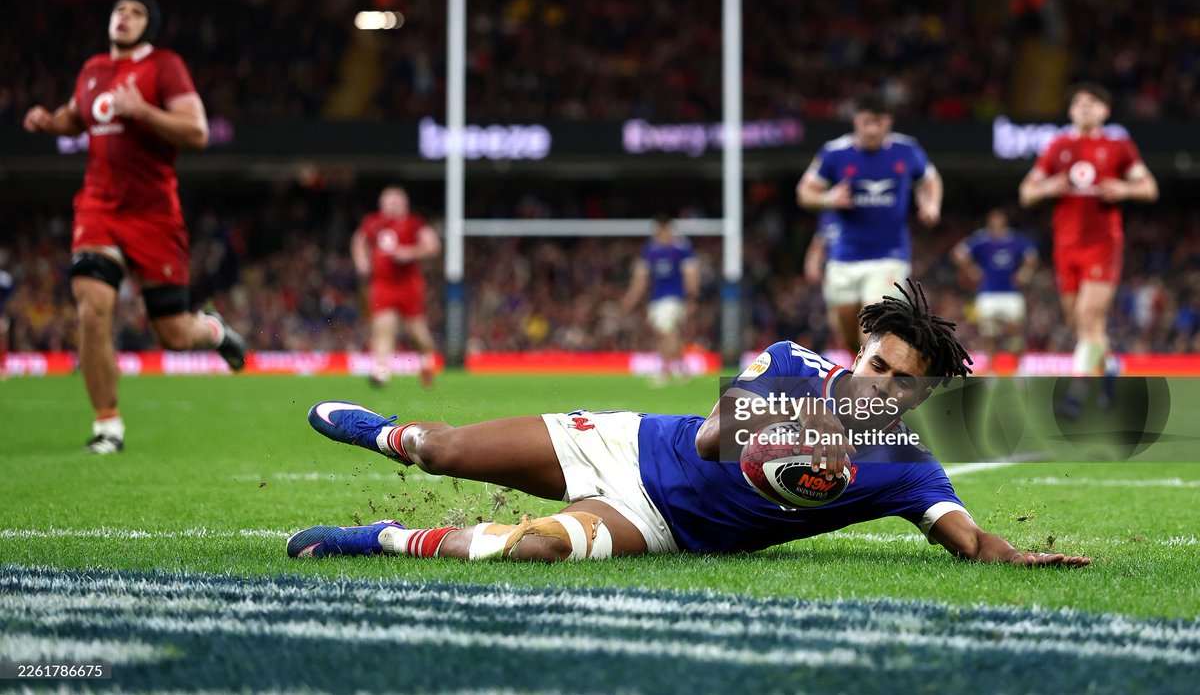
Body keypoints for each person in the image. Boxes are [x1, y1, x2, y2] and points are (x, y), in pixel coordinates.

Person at [286, 280, 1089, 568]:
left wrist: (1012, 557)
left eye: (898, 385)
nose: (878, 386)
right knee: (443, 450)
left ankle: (382, 539)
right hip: (627, 442)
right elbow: (710, 439)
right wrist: (789, 428)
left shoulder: (909, 467)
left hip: (659, 524)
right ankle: (388, 433)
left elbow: (969, 538)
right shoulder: (788, 362)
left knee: (532, 547)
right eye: (875, 364)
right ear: (858, 350)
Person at [21, 0, 246, 454]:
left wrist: (141, 110)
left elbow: (198, 132)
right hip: (98, 207)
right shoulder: (92, 70)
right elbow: (74, 117)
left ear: (150, 24)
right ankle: (108, 426)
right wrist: (50, 121)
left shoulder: (164, 65)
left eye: (137, 12)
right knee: (92, 305)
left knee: (175, 335)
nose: (124, 17)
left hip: (154, 215)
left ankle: (215, 331)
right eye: (119, 9)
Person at [1018, 83, 1158, 407]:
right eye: (1078, 103)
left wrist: (1125, 190)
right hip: (1066, 246)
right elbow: (1026, 192)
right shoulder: (1057, 147)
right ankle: (1109, 367)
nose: (1084, 107)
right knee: (1080, 322)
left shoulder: (1118, 146)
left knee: (1087, 314)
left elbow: (1149, 187)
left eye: (1092, 102)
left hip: (1102, 245)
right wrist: (1048, 185)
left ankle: (1078, 392)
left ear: (1104, 111)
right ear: (1070, 111)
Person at [797, 94, 943, 353]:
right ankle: (861, 369)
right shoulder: (835, 153)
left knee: (872, 323)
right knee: (847, 332)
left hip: (890, 254)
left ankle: (870, 389)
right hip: (844, 256)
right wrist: (828, 198)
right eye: (866, 122)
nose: (872, 129)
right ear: (856, 121)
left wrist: (931, 204)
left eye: (878, 122)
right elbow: (805, 192)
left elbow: (930, 180)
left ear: (889, 122)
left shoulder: (907, 150)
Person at [351, 186, 441, 388]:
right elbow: (359, 241)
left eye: (396, 202)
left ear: (405, 205)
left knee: (418, 332)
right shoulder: (373, 222)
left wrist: (410, 252)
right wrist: (362, 262)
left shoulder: (414, 223)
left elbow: (433, 245)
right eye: (388, 202)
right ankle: (381, 371)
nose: (392, 206)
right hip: (383, 284)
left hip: (409, 285)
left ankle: (426, 363)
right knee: (384, 327)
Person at [951, 209, 1039, 366]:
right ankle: (991, 368)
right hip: (988, 293)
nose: (997, 224)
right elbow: (958, 253)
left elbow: (1032, 255)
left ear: (1004, 222)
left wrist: (1025, 273)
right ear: (989, 223)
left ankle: (1017, 368)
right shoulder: (982, 239)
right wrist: (971, 270)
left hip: (1011, 293)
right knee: (988, 334)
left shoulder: (1014, 239)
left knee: (1015, 332)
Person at [620, 215, 700, 384]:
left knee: (666, 332)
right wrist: (631, 297)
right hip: (657, 299)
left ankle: (665, 371)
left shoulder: (680, 249)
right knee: (665, 333)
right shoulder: (650, 250)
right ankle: (682, 369)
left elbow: (690, 274)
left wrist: (692, 297)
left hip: (674, 298)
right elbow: (641, 277)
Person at [0, 267, 12, 382]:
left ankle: (3, 367)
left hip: (0, 314)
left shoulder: (4, 278)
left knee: (2, 340)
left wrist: (5, 314)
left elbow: (9, 298)